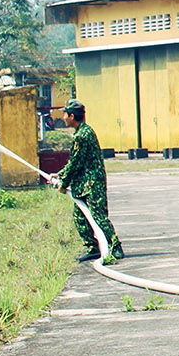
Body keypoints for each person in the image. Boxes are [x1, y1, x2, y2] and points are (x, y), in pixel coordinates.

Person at [53, 100, 125, 264]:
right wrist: (60, 175)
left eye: (65, 114)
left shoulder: (83, 135)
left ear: (72, 116)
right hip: (83, 184)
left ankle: (116, 247)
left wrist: (64, 182)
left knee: (98, 216)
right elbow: (75, 161)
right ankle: (93, 248)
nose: (63, 117)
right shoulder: (81, 132)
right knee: (80, 217)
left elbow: (76, 162)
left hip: (92, 184)